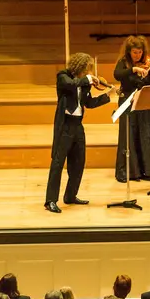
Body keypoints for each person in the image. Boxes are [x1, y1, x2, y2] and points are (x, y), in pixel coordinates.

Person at [46, 52, 112, 212]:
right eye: (87, 69)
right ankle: (50, 201)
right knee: (58, 163)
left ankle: (70, 196)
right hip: (65, 126)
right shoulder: (63, 76)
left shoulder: (84, 83)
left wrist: (106, 96)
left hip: (78, 126)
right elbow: (70, 84)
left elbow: (88, 103)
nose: (89, 73)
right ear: (80, 67)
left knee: (78, 163)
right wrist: (88, 79)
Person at [113, 35, 150, 184]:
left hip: (145, 101)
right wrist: (134, 69)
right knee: (129, 135)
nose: (138, 55)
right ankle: (127, 171)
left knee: (146, 133)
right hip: (128, 101)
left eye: (140, 52)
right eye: (134, 52)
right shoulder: (124, 64)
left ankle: (147, 170)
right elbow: (117, 75)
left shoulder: (148, 64)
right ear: (129, 52)